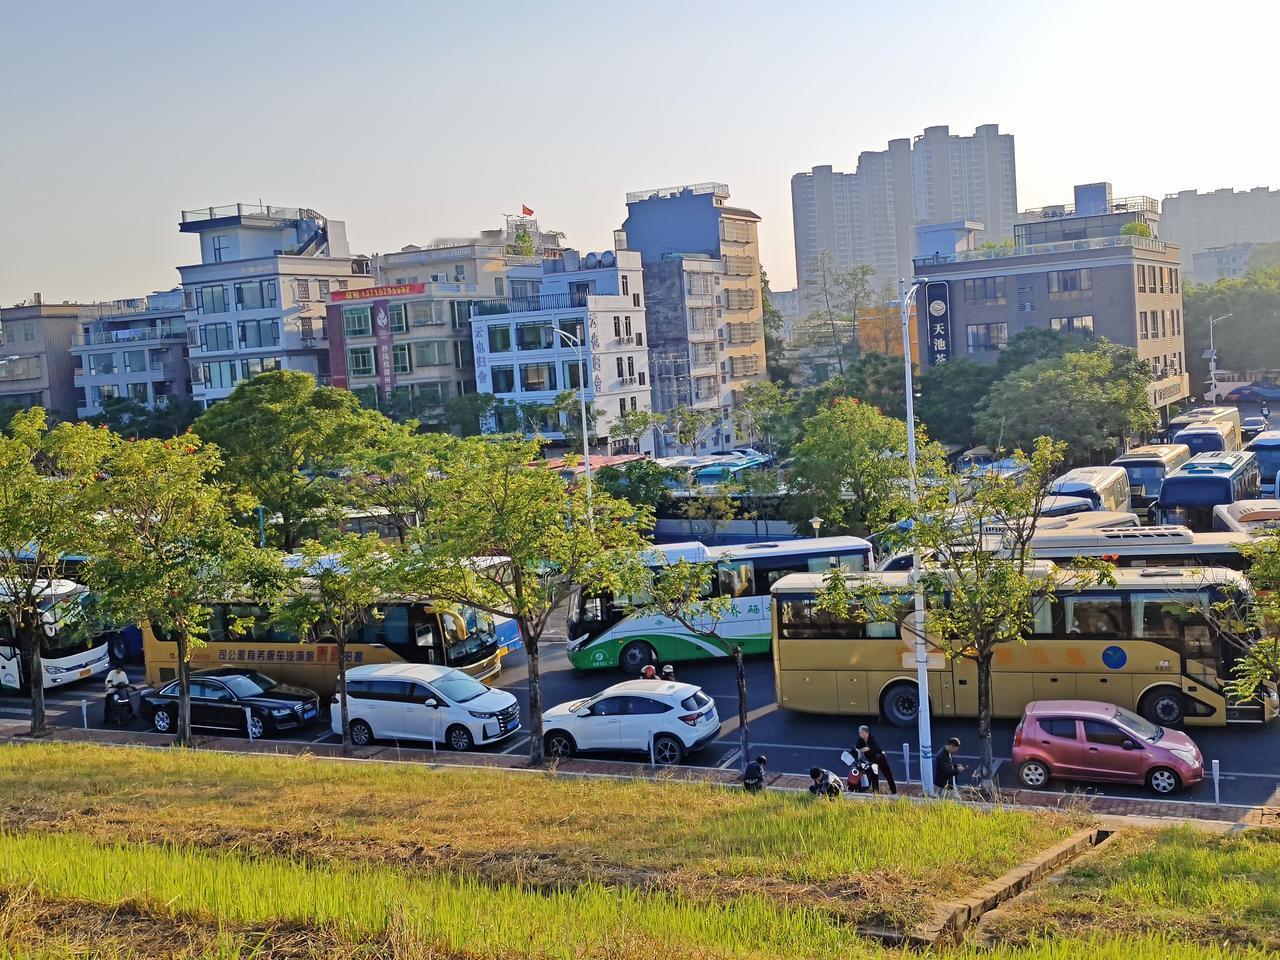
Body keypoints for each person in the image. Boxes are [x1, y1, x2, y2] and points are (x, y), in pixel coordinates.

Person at [854, 724, 897, 795]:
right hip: (873, 761)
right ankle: (876, 793)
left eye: (861, 732)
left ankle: (894, 791)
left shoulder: (872, 739)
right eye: (859, 732)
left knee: (888, 775)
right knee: (874, 776)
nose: (860, 734)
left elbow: (868, 748)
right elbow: (857, 748)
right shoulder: (860, 740)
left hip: (880, 758)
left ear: (866, 733)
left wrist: (862, 749)